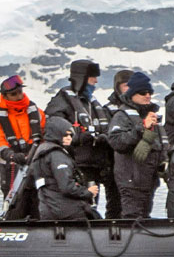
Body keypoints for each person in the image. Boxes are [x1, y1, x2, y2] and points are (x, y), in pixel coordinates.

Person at [45, 60, 112, 210]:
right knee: (78, 206)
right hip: (75, 165)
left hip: (94, 166)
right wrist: (79, 138)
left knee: (91, 206)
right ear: (82, 78)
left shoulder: (92, 103)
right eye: (92, 77)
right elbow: (53, 132)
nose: (96, 81)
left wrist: (103, 138)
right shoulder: (61, 102)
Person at [107, 72, 164, 218]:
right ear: (132, 94)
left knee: (144, 217)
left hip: (148, 179)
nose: (148, 96)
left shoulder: (150, 115)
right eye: (143, 92)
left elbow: (159, 145)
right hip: (130, 180)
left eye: (150, 92)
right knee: (132, 218)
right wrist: (141, 128)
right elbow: (116, 141)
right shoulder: (121, 115)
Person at [0, 74, 45, 217]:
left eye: (20, 92)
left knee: (38, 205)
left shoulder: (37, 113)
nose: (19, 96)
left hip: (36, 166)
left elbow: (46, 135)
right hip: (11, 169)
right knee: (15, 208)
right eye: (13, 94)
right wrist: (11, 155)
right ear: (5, 96)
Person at [29, 116, 100, 220]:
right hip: (66, 210)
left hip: (47, 209)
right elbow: (67, 187)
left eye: (70, 135)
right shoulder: (57, 155)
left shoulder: (41, 151)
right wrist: (88, 192)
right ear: (56, 134)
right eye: (65, 135)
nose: (69, 138)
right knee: (95, 217)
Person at [95, 69, 132, 218]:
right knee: (115, 203)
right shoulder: (108, 110)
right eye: (125, 85)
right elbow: (108, 135)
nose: (129, 89)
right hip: (113, 163)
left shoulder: (139, 107)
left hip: (134, 164)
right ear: (118, 87)